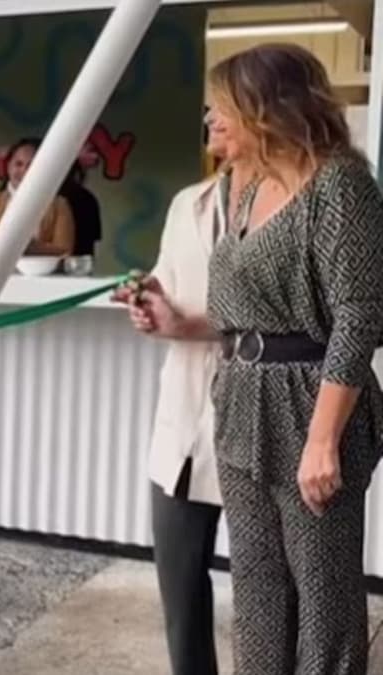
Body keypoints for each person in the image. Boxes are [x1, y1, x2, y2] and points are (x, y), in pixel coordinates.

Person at [134, 43, 383, 674]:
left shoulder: (340, 183)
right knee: (259, 593)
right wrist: (175, 320)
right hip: (242, 399)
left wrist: (324, 440)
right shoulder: (249, 192)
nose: (212, 120)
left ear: (268, 109)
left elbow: (358, 316)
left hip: (309, 402)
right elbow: (242, 310)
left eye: (224, 107)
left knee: (322, 602)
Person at [111, 108, 245, 675]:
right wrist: (148, 296)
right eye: (210, 104)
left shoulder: (296, 203)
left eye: (227, 104)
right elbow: (170, 275)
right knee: (180, 591)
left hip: (257, 419)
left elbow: (295, 317)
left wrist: (187, 325)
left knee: (270, 598)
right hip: (183, 425)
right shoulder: (186, 203)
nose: (211, 115)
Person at [0, 137, 75, 257]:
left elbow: (65, 251)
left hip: (43, 275)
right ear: (9, 167)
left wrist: (30, 247)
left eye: (32, 165)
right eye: (18, 164)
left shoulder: (59, 205)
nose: (25, 170)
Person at [59, 161, 102, 257]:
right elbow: (94, 239)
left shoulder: (50, 199)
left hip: (53, 262)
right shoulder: (88, 197)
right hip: (81, 262)